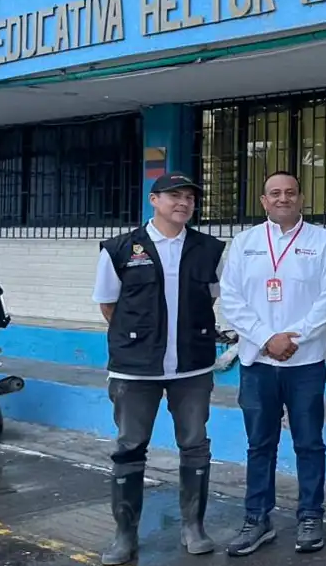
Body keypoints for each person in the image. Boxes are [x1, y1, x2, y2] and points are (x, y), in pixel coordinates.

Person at [92, 172, 225, 565]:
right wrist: (143, 341)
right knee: (130, 447)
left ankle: (193, 526)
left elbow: (213, 300)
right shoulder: (119, 248)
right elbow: (108, 305)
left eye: (189, 198)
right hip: (135, 371)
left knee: (195, 446)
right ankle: (125, 536)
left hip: (192, 369)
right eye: (174, 196)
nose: (183, 203)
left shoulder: (209, 249)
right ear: (154, 200)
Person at [219, 171, 326, 556]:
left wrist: (294, 338)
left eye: (290, 192)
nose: (283, 198)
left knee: (309, 443)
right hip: (257, 362)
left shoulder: (322, 242)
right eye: (275, 193)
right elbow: (231, 298)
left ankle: (310, 515)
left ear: (301, 198)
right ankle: (257, 518)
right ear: (263, 200)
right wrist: (265, 338)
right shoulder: (245, 243)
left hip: (305, 363)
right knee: (260, 445)